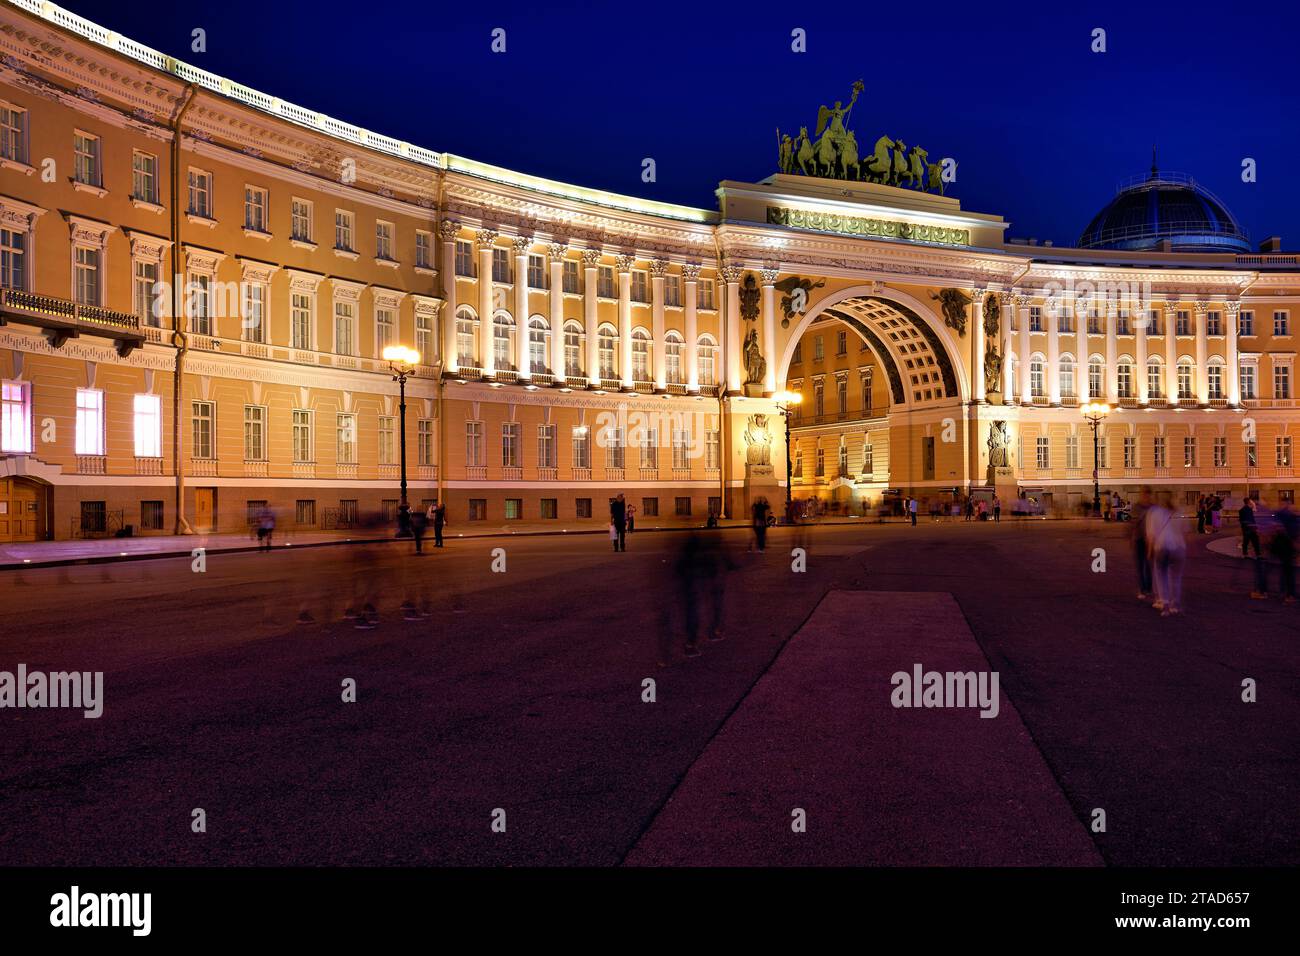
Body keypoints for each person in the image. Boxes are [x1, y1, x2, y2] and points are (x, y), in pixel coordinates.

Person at [1145, 492, 1186, 615]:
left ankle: (1165, 606)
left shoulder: (1155, 512)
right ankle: (1176, 605)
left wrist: (1149, 551)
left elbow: (1151, 535)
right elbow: (1185, 532)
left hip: (1162, 547)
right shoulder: (1178, 512)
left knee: (1161, 577)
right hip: (1178, 548)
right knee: (1176, 578)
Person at [1269, 499, 1299, 604]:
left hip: (1279, 547)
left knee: (1283, 570)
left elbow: (1274, 528)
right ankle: (1289, 595)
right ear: (1289, 504)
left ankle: (1282, 592)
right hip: (1287, 547)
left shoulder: (1278, 514)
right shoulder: (1290, 515)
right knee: (1289, 571)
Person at [1239, 496, 1267, 599]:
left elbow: (1249, 519)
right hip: (1248, 529)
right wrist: (1249, 527)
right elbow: (1243, 520)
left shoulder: (1249, 509)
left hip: (1250, 528)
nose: (1252, 502)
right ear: (1247, 502)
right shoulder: (1243, 510)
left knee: (1254, 542)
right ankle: (1249, 553)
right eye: (1250, 501)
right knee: (1248, 541)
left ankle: (1253, 553)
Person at [1131, 486, 1154, 600]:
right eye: (1143, 493)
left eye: (1146, 493)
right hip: (1139, 539)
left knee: (1149, 564)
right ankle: (1142, 588)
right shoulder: (1136, 507)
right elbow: (1133, 523)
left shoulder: (1153, 507)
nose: (1144, 496)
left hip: (1150, 540)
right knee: (1140, 565)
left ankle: (1149, 588)